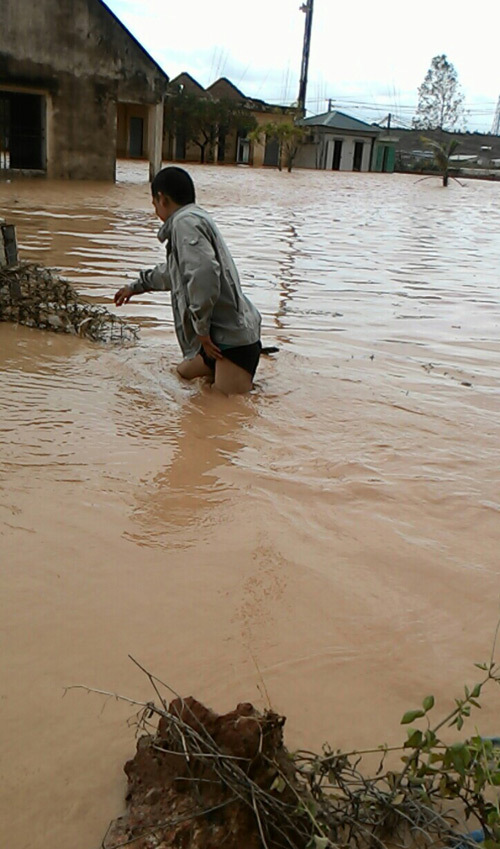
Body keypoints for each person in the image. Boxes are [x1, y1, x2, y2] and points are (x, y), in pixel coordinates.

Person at [114, 167, 262, 395]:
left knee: (221, 410)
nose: (155, 211)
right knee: (180, 374)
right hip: (216, 341)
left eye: (154, 204)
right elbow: (173, 273)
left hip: (229, 343)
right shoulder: (194, 219)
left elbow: (203, 274)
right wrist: (136, 287)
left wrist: (201, 331)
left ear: (162, 198)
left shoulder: (185, 223)